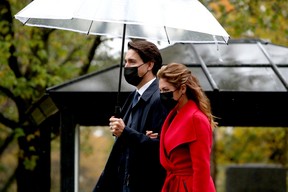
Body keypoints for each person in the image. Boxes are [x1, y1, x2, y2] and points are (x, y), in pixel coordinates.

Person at [93, 40, 168, 192]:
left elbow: (161, 149)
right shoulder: (133, 97)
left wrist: (126, 132)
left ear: (149, 65)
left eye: (132, 62)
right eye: (126, 61)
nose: (127, 66)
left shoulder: (160, 98)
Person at [157, 63, 217, 192]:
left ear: (182, 89)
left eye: (166, 90)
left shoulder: (196, 119)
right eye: (161, 91)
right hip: (174, 185)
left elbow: (202, 169)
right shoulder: (172, 116)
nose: (162, 95)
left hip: (190, 187)